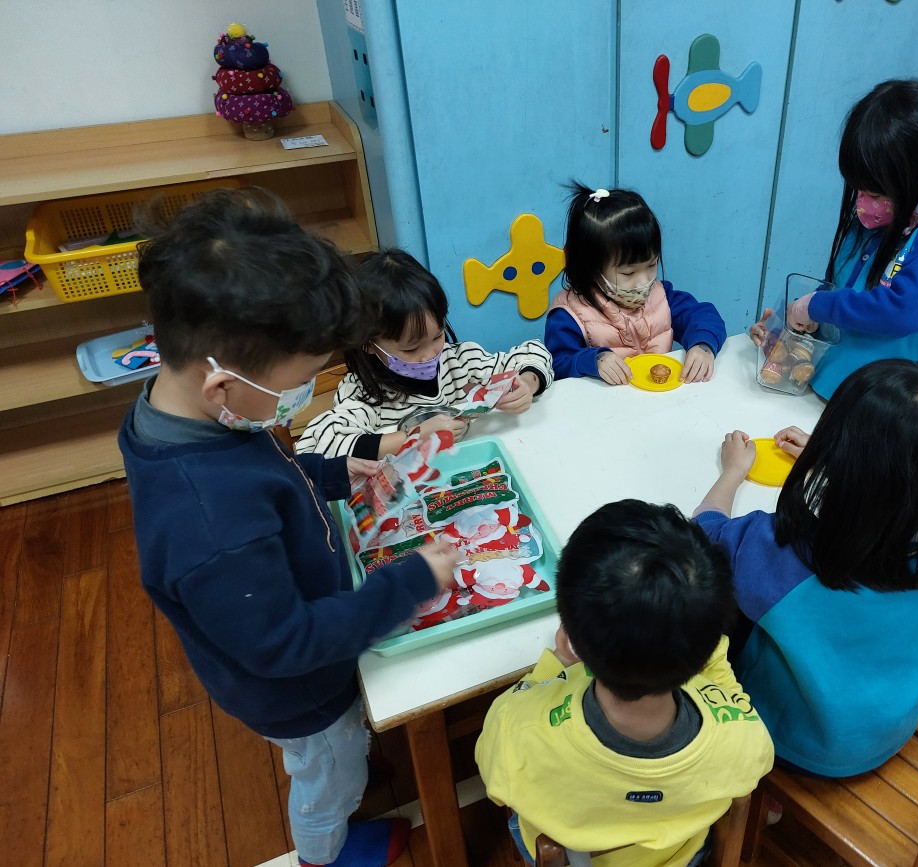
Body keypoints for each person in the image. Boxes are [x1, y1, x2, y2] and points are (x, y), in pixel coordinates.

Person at [118, 189, 457, 867]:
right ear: (220, 384)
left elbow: (266, 476)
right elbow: (287, 642)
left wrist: (334, 471)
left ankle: (341, 770)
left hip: (297, 639)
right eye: (298, 383)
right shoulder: (210, 525)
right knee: (328, 777)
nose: (300, 399)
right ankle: (323, 852)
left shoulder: (187, 416)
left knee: (338, 753)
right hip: (299, 692)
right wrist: (410, 582)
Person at [694, 359, 918, 778]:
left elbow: (704, 535)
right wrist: (847, 465)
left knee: (706, 611)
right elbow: (912, 488)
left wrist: (733, 472)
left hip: (783, 740)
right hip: (887, 734)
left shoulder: (792, 554)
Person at [476, 500, 774, 867]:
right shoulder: (744, 739)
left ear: (571, 635)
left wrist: (556, 665)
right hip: (679, 855)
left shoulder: (517, 728)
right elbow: (732, 706)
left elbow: (495, 781)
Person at [750, 79, 918, 400]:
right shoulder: (873, 222)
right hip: (821, 389)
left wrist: (817, 306)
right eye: (859, 187)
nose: (863, 201)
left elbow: (898, 311)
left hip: (876, 408)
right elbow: (839, 295)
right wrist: (786, 329)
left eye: (876, 192)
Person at [297, 249, 554, 459]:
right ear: (367, 343)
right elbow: (321, 444)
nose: (431, 354)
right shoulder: (364, 392)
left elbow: (532, 352)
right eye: (411, 348)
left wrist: (527, 382)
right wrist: (411, 438)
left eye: (437, 336)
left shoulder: (459, 361)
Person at [545, 183, 726, 385]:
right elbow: (556, 365)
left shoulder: (661, 296)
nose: (644, 281)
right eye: (628, 272)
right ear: (590, 268)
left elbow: (704, 316)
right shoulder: (569, 315)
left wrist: (703, 345)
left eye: (651, 265)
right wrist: (593, 360)